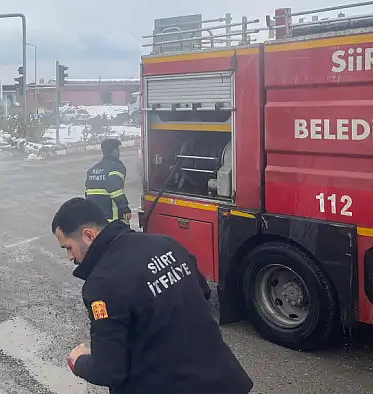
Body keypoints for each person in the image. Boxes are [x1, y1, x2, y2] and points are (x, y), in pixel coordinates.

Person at [51, 198, 253, 394]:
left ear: (88, 235)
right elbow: (202, 293)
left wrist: (80, 361)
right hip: (222, 380)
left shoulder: (102, 284)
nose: (70, 257)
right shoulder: (165, 244)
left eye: (68, 247)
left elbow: (109, 371)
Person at [84, 138, 130, 223]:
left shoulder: (92, 170)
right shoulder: (116, 166)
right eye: (118, 149)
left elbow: (87, 193)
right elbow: (116, 189)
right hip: (113, 219)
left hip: (95, 219)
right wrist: (124, 207)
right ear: (114, 151)